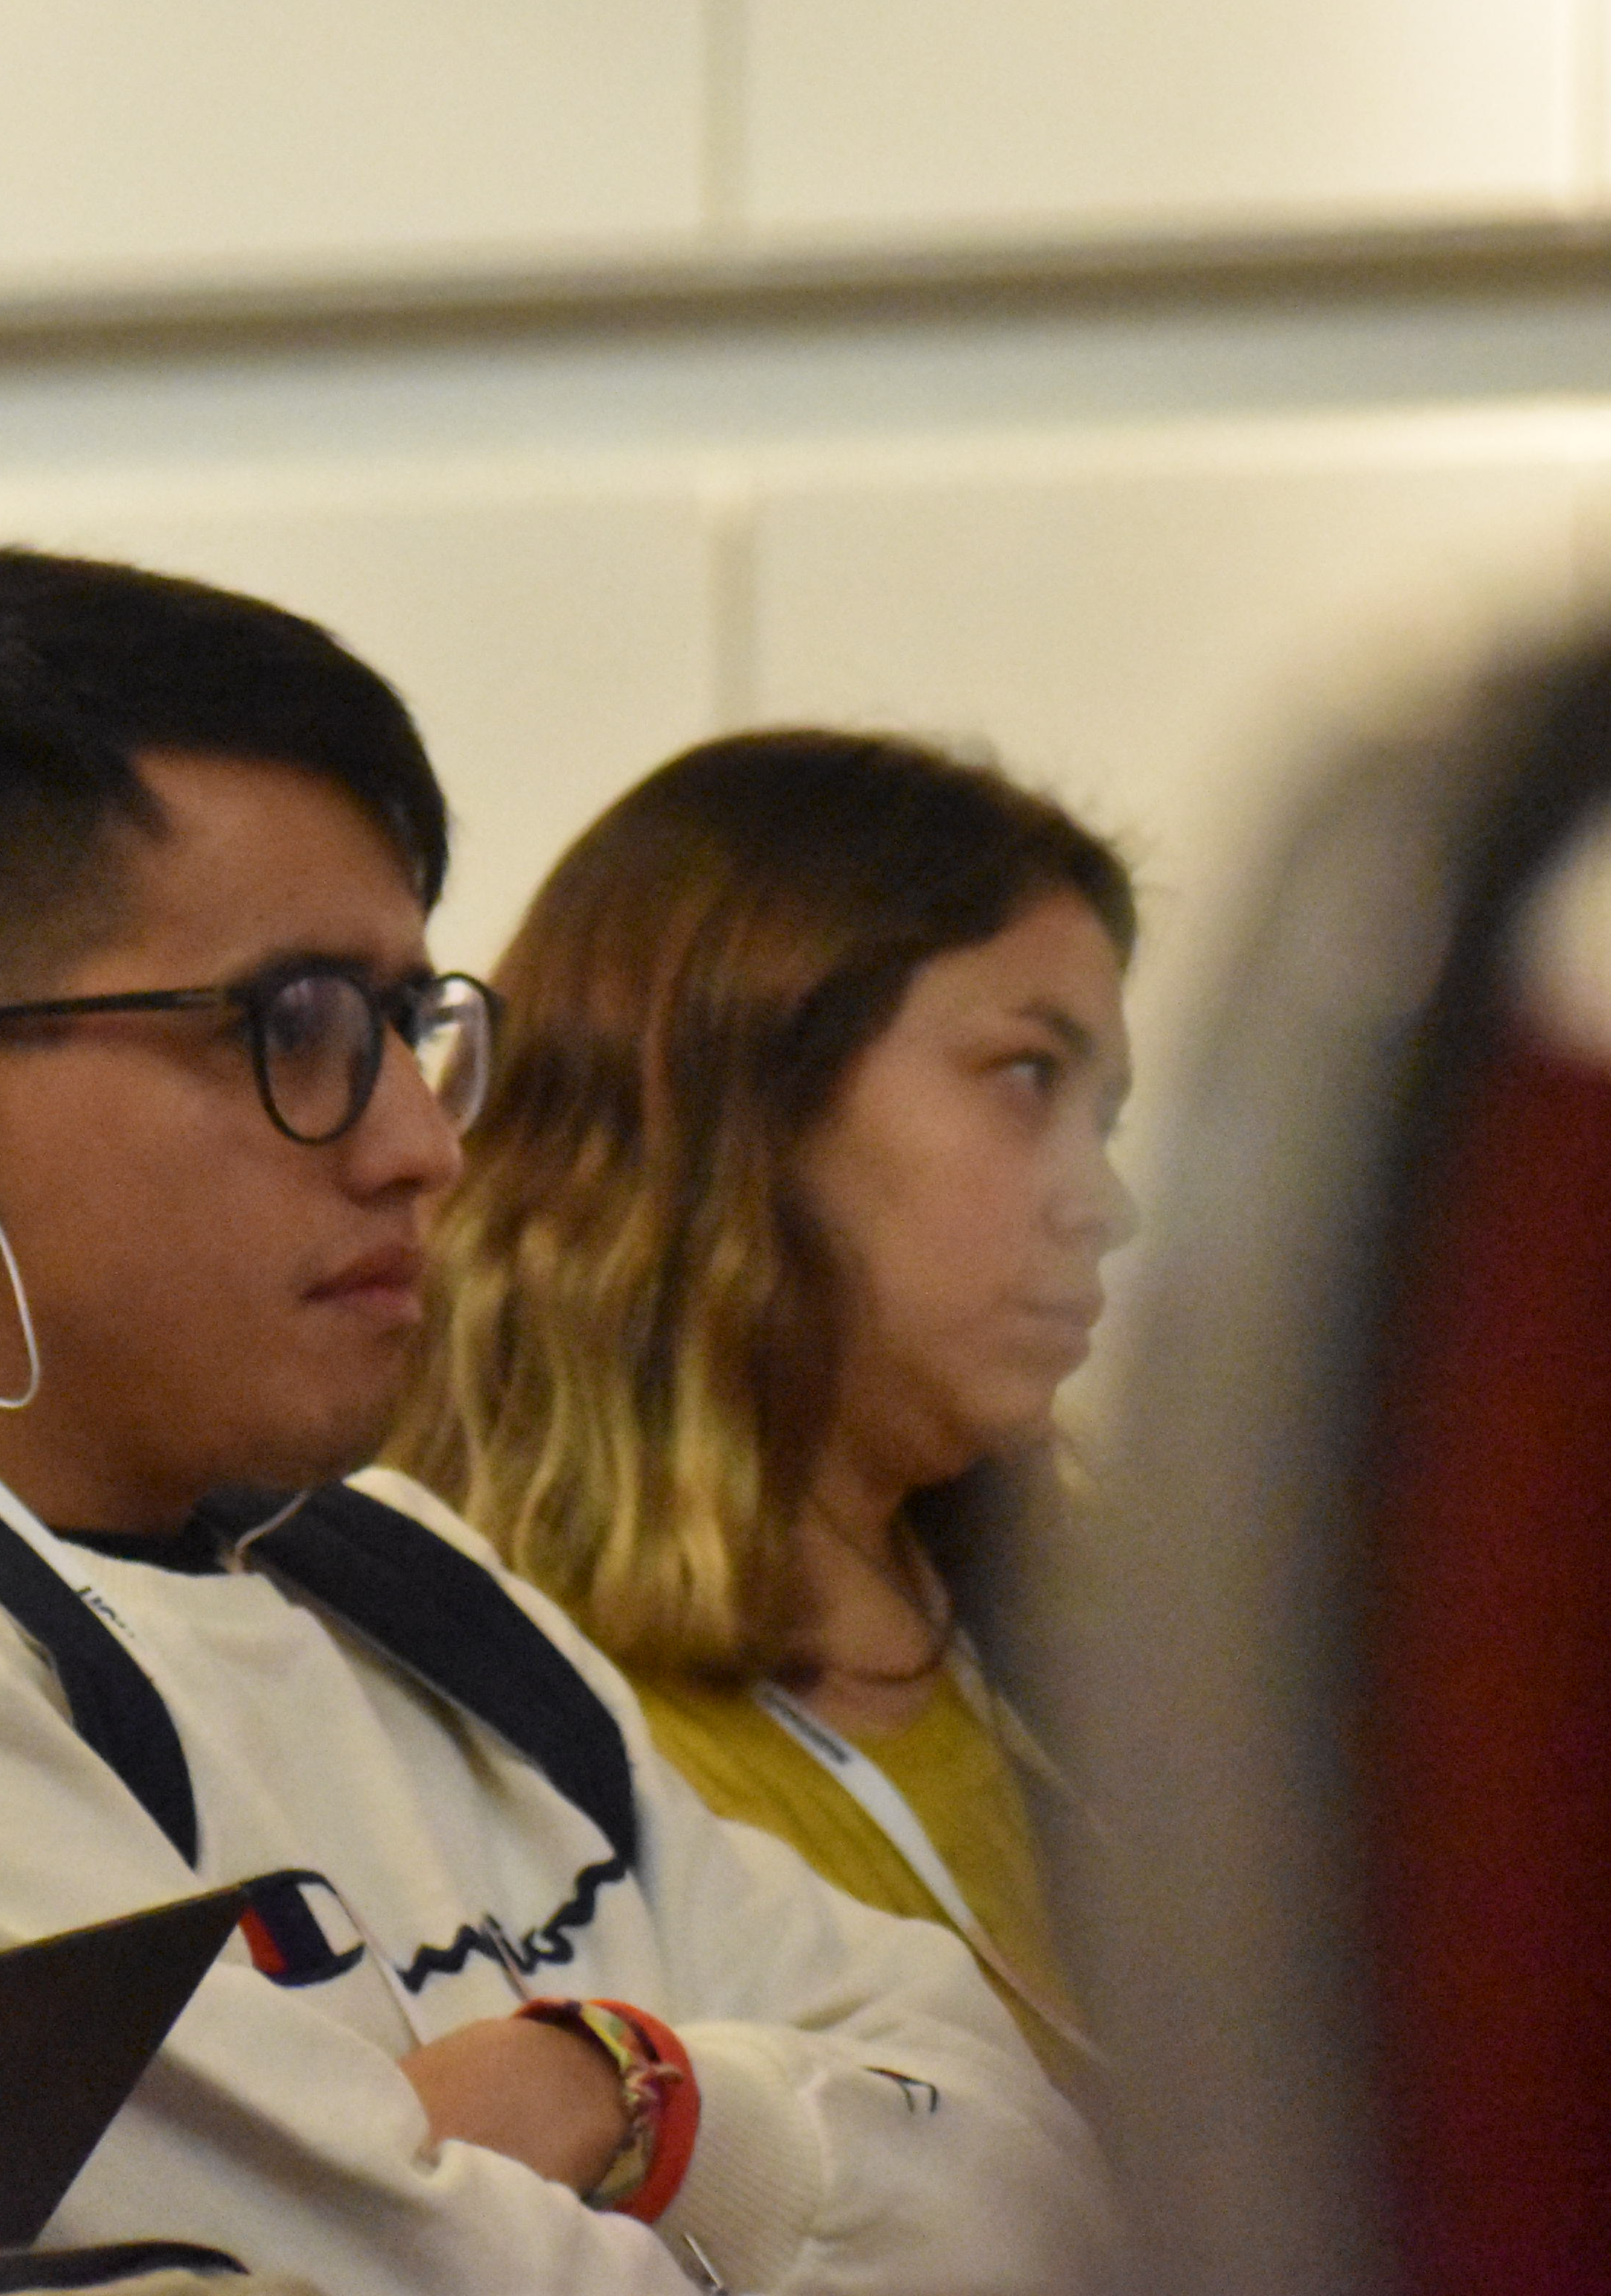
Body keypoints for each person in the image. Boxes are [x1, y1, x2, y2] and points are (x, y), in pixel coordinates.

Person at [0, 549, 1110, 2293]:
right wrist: (805, 2166)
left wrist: (640, 2101)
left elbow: (1054, 2195)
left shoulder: (393, 1557)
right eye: (297, 1027)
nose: (420, 1143)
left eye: (407, 1022)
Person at [394, 729, 1135, 2080]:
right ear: (735, 1089)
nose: (1104, 1204)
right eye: (1029, 1079)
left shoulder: (1086, 1664)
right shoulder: (481, 1731)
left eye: (1107, 1118)